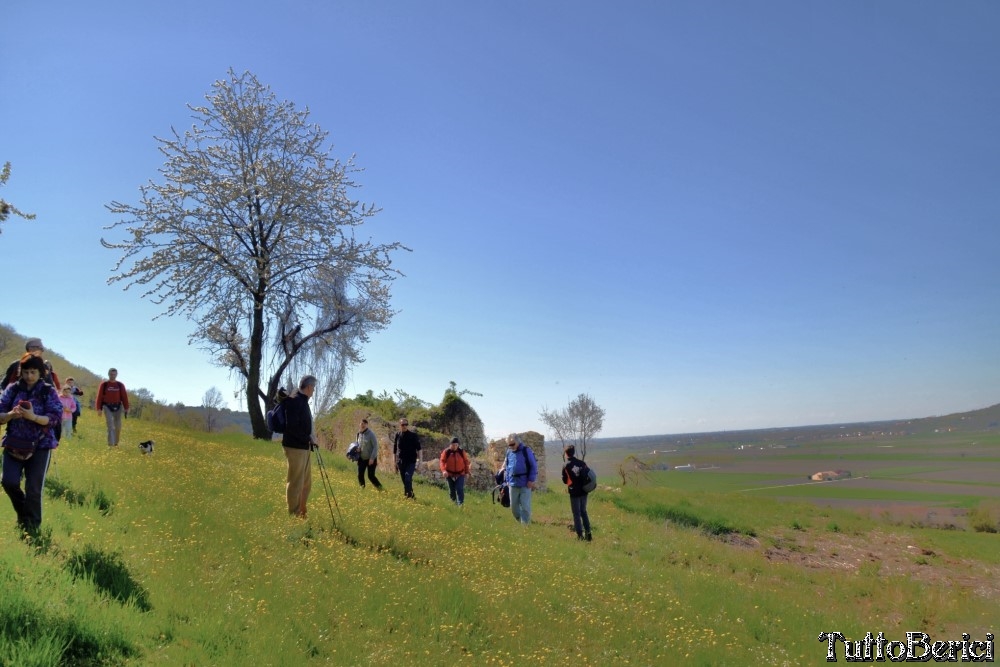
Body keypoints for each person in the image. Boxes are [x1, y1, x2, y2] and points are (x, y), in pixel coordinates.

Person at [0, 355, 63, 534]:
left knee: (33, 489)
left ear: (40, 373)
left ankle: (32, 528)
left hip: (41, 446)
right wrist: (12, 414)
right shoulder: (12, 389)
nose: (29, 376)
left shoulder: (47, 391)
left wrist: (33, 417)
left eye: (33, 372)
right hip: (14, 442)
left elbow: (55, 417)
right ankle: (23, 514)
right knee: (8, 482)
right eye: (26, 372)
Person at [281, 375, 317, 518]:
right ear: (308, 387)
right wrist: (308, 438)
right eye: (313, 388)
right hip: (295, 447)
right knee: (296, 481)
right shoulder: (295, 401)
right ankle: (294, 514)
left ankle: (302, 511)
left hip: (303, 447)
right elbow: (292, 428)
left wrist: (310, 439)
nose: (313, 391)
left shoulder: (302, 400)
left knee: (306, 483)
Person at [504, 433, 537, 525]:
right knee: (513, 507)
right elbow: (507, 467)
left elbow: (533, 466)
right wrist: (507, 480)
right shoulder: (509, 452)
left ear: (518, 442)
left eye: (512, 444)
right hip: (512, 483)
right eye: (509, 445)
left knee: (525, 506)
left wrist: (531, 480)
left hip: (525, 483)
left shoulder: (526, 451)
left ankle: (525, 526)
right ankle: (519, 521)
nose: (511, 446)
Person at [561, 445, 593, 541]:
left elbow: (565, 480)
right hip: (584, 491)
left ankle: (580, 536)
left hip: (574, 492)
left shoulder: (566, 465)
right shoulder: (582, 463)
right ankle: (589, 534)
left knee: (576, 514)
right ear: (574, 452)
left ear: (566, 454)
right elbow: (588, 475)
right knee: (583, 512)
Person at [95, 368, 129, 447]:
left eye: (114, 374)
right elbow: (99, 397)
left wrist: (126, 407)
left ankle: (116, 443)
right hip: (107, 406)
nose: (112, 376)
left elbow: (124, 397)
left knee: (118, 426)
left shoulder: (120, 385)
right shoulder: (104, 385)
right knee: (110, 425)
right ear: (108, 374)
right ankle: (111, 445)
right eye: (111, 374)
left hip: (118, 407)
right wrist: (99, 408)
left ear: (116, 375)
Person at [393, 418, 421, 499]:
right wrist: (394, 461)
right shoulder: (397, 435)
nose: (404, 426)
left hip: (411, 461)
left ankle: (408, 496)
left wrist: (420, 462)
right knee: (404, 480)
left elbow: (419, 449)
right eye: (402, 425)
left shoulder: (413, 435)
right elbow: (394, 449)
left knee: (408, 479)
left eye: (406, 424)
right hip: (400, 462)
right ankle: (410, 495)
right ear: (400, 425)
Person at [440, 437, 471, 506]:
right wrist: (444, 471)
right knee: (452, 490)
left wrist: (467, 472)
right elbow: (442, 462)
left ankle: (461, 504)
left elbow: (466, 462)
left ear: (458, 445)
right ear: (450, 445)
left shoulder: (461, 451)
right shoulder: (446, 452)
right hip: (449, 474)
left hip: (460, 474)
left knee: (459, 489)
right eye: (453, 445)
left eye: (456, 445)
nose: (455, 446)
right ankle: (454, 504)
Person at [356, 418, 383, 490]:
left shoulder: (371, 434)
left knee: (371, 476)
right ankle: (362, 489)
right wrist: (358, 449)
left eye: (364, 424)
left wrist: (372, 458)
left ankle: (381, 489)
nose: (363, 425)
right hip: (361, 458)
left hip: (370, 459)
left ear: (367, 425)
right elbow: (358, 444)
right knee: (360, 475)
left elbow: (375, 446)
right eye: (361, 424)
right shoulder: (359, 434)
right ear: (359, 425)